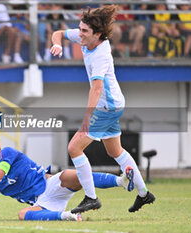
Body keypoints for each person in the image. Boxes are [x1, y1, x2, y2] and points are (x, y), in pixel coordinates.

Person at [50, 5, 155, 213]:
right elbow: (58, 33)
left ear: (97, 35)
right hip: (114, 104)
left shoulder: (101, 53)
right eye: (79, 29)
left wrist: (88, 116)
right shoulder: (85, 37)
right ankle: (144, 194)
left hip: (106, 106)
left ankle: (91, 198)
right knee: (115, 150)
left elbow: (97, 88)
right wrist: (58, 44)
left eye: (84, 31)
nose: (79, 34)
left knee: (74, 148)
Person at [0, 130, 134, 221]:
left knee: (69, 174)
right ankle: (67, 216)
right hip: (43, 202)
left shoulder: (7, 153)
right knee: (23, 214)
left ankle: (121, 181)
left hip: (51, 184)